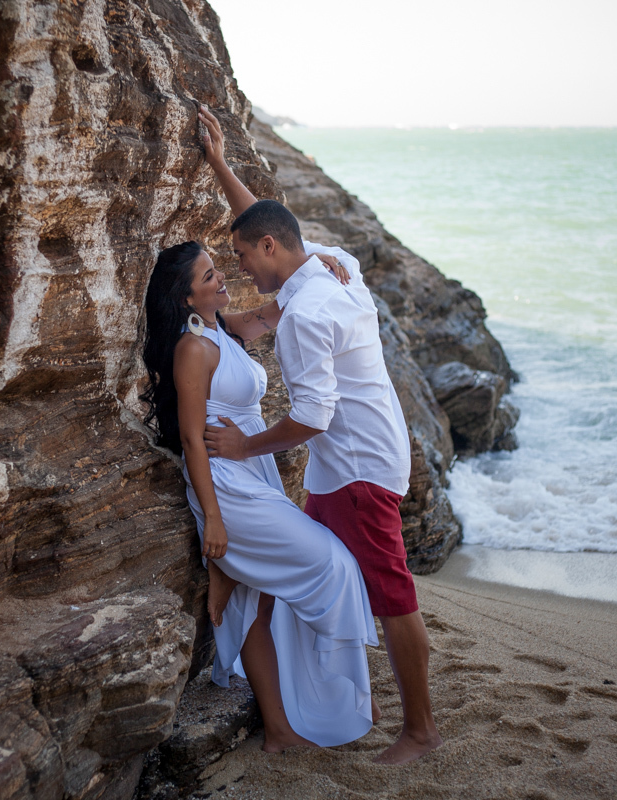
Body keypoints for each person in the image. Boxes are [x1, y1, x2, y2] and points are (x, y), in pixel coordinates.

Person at [197, 104, 444, 765]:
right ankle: (297, 702)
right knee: (309, 570)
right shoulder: (330, 262)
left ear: (272, 251)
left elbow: (314, 417)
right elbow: (268, 222)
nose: (243, 268)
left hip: (358, 467)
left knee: (390, 595)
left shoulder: (307, 312)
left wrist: (246, 446)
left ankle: (419, 732)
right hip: (355, 463)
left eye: (246, 257)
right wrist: (221, 164)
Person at [141, 239, 378, 752]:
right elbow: (189, 441)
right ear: (186, 298)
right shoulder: (192, 348)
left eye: (216, 269)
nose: (221, 277)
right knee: (333, 564)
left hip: (255, 471)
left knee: (258, 606)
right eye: (207, 277)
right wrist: (214, 520)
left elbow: (278, 306)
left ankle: (278, 731)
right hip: (227, 484)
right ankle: (336, 678)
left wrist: (317, 265)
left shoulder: (224, 330)